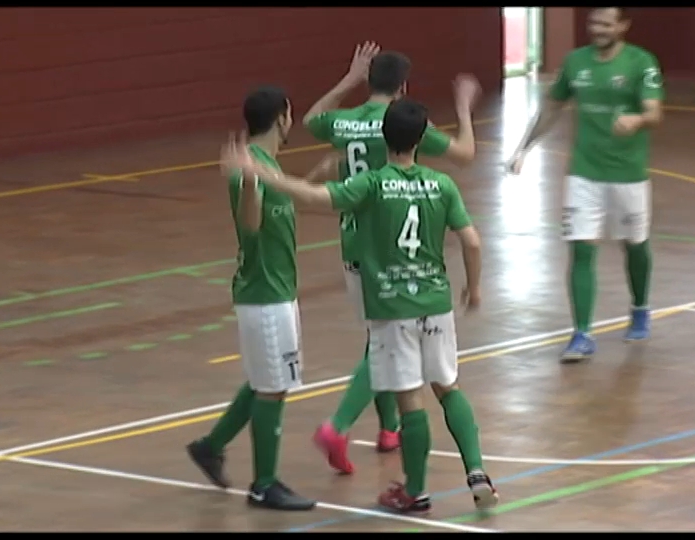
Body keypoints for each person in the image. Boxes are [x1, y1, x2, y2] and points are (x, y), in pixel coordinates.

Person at [220, 97, 499, 515]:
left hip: (391, 305)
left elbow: (313, 198)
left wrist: (262, 175)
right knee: (447, 385)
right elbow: (472, 241)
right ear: (422, 139)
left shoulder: (371, 185)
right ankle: (476, 472)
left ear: (384, 137)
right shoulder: (443, 185)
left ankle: (415, 491)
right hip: (435, 302)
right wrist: (473, 289)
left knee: (410, 401)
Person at [300, 43, 480, 475]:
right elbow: (465, 154)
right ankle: (338, 425)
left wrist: (348, 79)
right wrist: (463, 106)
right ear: (403, 87)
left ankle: (388, 428)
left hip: (352, 242)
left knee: (379, 335)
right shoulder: (401, 121)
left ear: (369, 79)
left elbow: (308, 121)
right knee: (383, 342)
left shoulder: (344, 121)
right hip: (393, 249)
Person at [506, 7, 665, 363]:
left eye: (607, 24)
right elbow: (552, 107)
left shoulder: (641, 62)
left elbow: (655, 112)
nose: (599, 29)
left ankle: (640, 307)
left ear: (622, 26)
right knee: (580, 249)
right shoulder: (575, 62)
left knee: (635, 245)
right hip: (583, 171)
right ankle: (582, 333)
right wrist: (523, 149)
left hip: (628, 173)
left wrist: (636, 119)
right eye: (595, 23)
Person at [185, 85, 316, 512]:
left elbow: (277, 204)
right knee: (273, 388)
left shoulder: (266, 165)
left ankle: (210, 446)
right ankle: (264, 485)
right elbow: (252, 224)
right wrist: (249, 184)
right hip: (264, 294)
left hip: (277, 290)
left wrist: (308, 180)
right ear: (281, 118)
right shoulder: (251, 168)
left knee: (266, 381)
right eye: (290, 114)